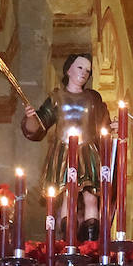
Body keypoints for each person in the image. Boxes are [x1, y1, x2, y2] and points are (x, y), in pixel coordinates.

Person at [22, 52, 111, 242]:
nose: (84, 73)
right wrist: (31, 117)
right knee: (67, 197)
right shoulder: (57, 97)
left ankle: (91, 244)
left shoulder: (93, 99)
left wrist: (113, 127)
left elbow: (103, 125)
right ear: (68, 70)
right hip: (63, 153)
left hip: (88, 152)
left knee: (91, 197)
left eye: (88, 70)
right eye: (80, 67)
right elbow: (40, 124)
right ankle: (68, 242)